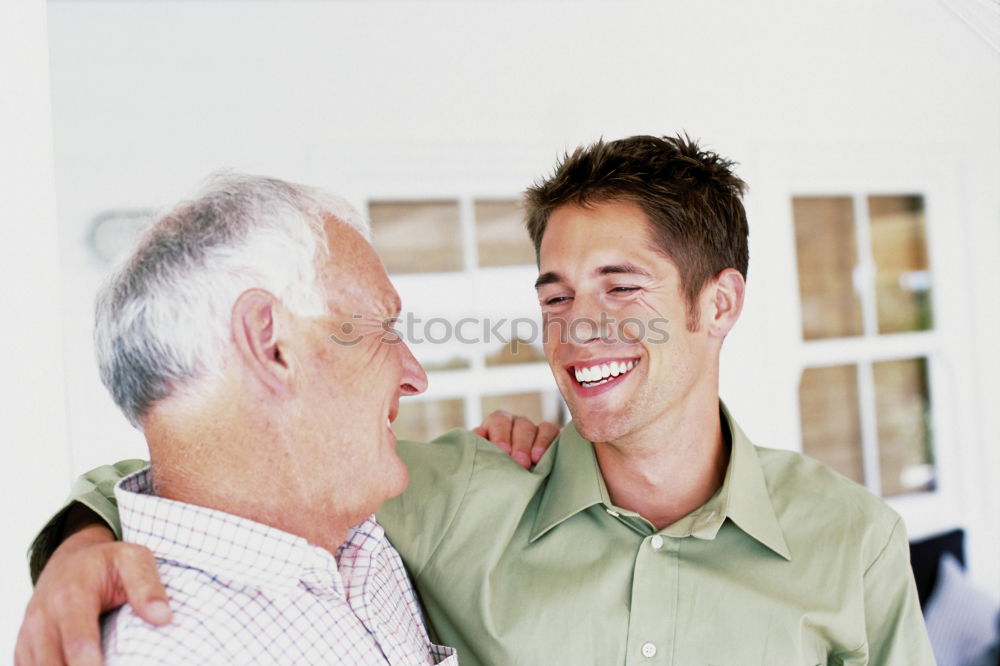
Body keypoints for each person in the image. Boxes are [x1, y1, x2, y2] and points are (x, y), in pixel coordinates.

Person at [18, 135, 935, 665]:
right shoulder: (453, 495)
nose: (579, 330)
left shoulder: (852, 544)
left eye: (622, 288)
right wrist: (78, 548)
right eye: (555, 296)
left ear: (718, 303)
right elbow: (204, 469)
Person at [16, 173, 552, 665]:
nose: (415, 375)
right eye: (383, 328)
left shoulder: (347, 538)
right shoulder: (166, 648)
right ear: (270, 343)